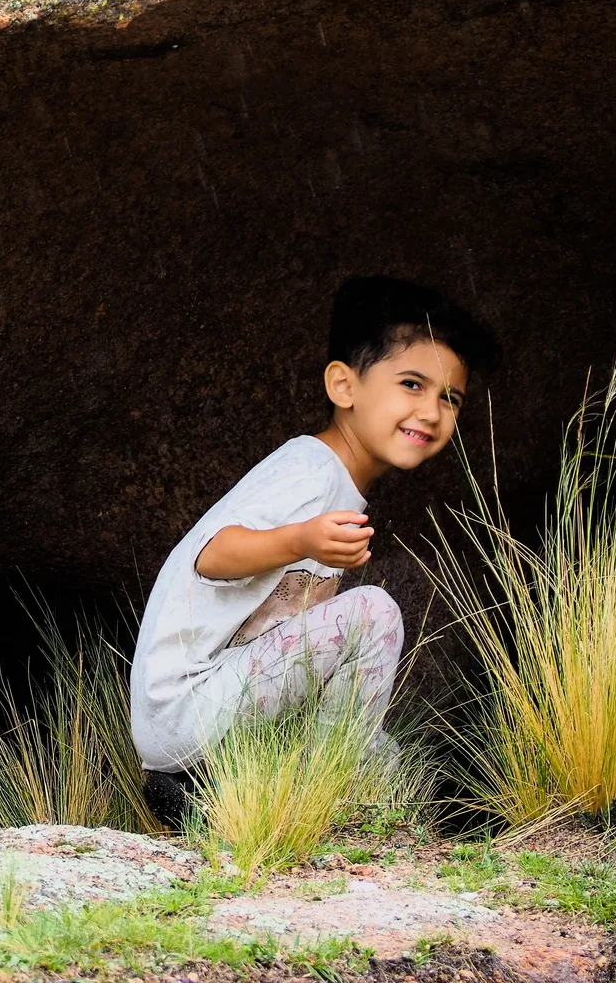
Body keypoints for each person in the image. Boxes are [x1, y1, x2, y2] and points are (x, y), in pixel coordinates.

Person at [129, 275, 498, 826]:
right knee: (373, 613)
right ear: (343, 386)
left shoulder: (338, 485)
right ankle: (328, 793)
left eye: (451, 397)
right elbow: (211, 555)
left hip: (215, 720)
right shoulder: (308, 467)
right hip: (188, 706)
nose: (432, 411)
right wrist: (300, 540)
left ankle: (213, 799)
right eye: (413, 384)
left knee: (389, 761)